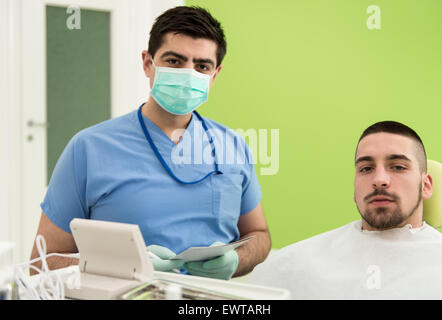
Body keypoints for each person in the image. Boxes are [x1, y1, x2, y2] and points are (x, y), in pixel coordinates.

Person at [31, 6, 271, 280]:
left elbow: (259, 235)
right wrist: (122, 267)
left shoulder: (234, 146)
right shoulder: (88, 148)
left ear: (214, 76)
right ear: (148, 63)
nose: (187, 74)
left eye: (201, 66)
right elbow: (42, 263)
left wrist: (237, 260)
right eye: (174, 61)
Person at [249, 121, 442, 299]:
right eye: (366, 169)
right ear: (355, 190)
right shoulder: (295, 263)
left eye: (397, 167)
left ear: (426, 186)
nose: (379, 179)